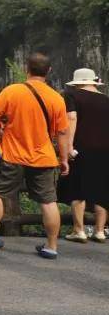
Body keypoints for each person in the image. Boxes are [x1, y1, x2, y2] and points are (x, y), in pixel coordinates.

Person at [0, 52, 70, 259]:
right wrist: (64, 159)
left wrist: (6, 120)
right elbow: (63, 132)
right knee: (48, 201)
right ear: (48, 71)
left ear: (27, 68)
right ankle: (51, 246)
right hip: (44, 157)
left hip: (13, 156)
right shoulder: (56, 98)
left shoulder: (12, 91)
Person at [59, 68, 109, 243]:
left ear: (78, 82)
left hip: (81, 148)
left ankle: (79, 230)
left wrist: (69, 146)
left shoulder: (72, 95)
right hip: (105, 150)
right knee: (102, 190)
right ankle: (100, 231)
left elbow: (71, 118)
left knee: (78, 189)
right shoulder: (106, 99)